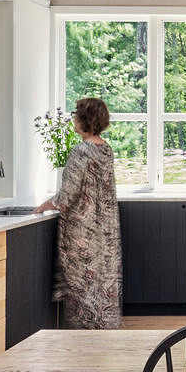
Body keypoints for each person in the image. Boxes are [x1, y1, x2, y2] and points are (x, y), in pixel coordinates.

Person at [36, 96, 122, 329]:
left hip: (82, 231)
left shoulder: (81, 151)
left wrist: (44, 205)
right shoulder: (106, 149)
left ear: (85, 118)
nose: (73, 118)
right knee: (101, 281)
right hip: (104, 229)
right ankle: (101, 329)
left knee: (81, 282)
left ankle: (84, 336)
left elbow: (67, 194)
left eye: (76, 114)